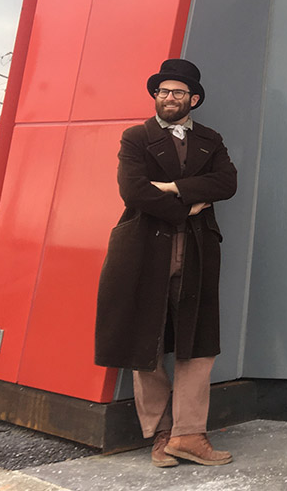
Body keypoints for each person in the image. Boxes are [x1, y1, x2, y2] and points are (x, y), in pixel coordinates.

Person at [94, 59, 237, 467]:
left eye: (177, 92)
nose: (168, 98)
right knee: (147, 342)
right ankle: (161, 435)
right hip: (142, 249)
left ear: (193, 99)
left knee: (199, 344)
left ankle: (189, 435)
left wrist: (174, 187)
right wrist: (188, 207)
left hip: (197, 251)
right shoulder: (136, 137)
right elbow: (133, 191)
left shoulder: (211, 139)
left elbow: (228, 182)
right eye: (162, 91)